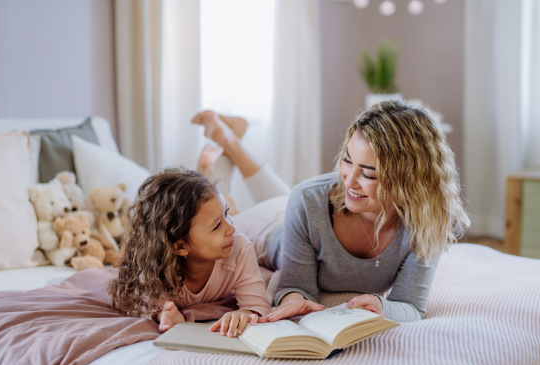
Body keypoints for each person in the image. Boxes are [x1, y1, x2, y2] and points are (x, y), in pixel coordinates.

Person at [190, 100, 470, 323]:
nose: (348, 180)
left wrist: (383, 307)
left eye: (368, 175)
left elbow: (410, 306)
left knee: (292, 195)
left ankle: (228, 139)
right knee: (229, 215)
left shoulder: (427, 220)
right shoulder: (309, 200)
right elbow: (293, 286)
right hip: (269, 229)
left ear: (409, 181)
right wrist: (293, 300)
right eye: (347, 160)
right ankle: (208, 168)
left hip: (301, 208)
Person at [108, 167, 271, 336]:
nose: (231, 228)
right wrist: (164, 315)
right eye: (217, 226)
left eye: (226, 214)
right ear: (179, 247)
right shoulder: (156, 269)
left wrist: (245, 314)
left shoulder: (240, 248)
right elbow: (145, 307)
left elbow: (259, 307)